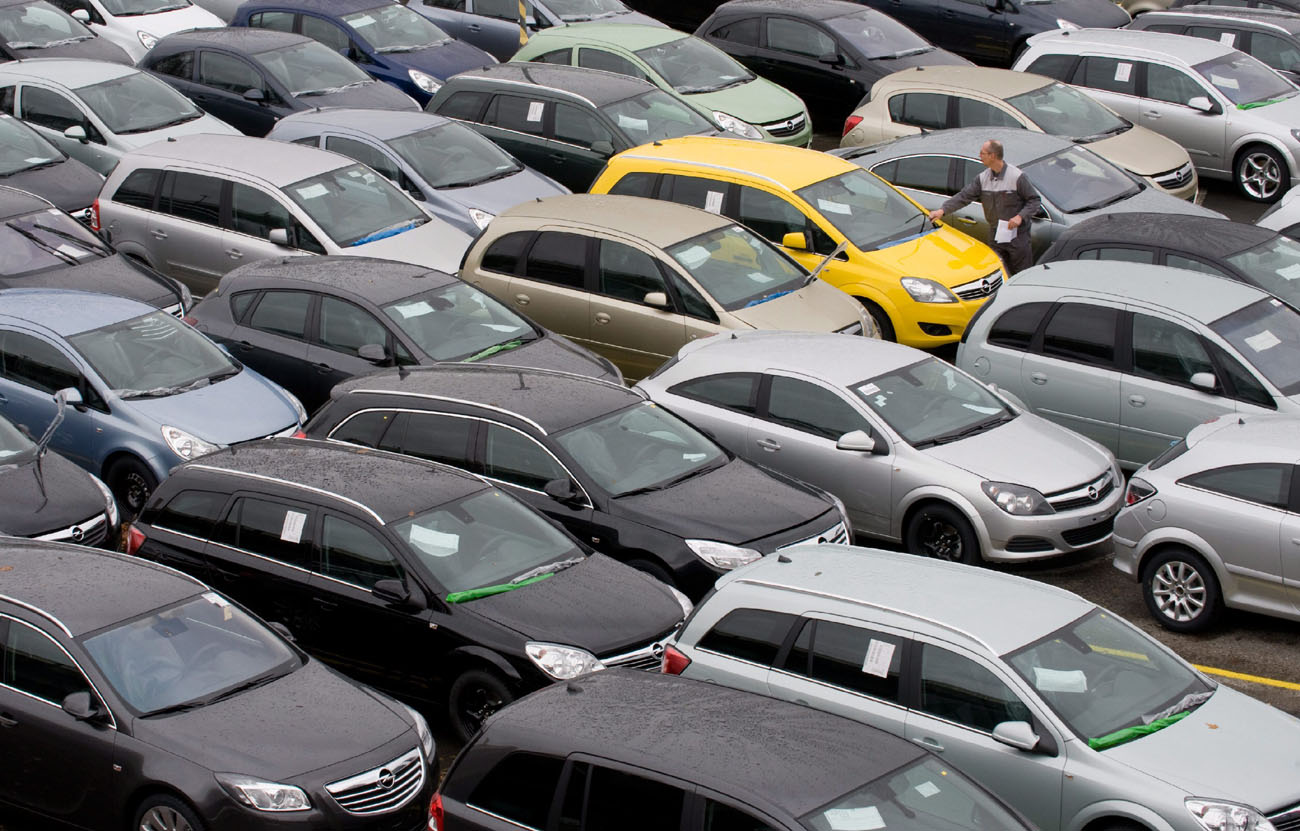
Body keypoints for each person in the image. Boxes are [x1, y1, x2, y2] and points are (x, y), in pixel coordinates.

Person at [928, 139, 1041, 275]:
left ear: (993, 156)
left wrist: (1020, 217)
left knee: (1021, 274)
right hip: (996, 234)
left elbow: (1034, 200)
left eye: (982, 153)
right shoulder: (983, 178)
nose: (979, 156)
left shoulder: (1016, 177)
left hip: (1018, 236)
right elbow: (964, 196)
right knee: (997, 271)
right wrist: (942, 210)